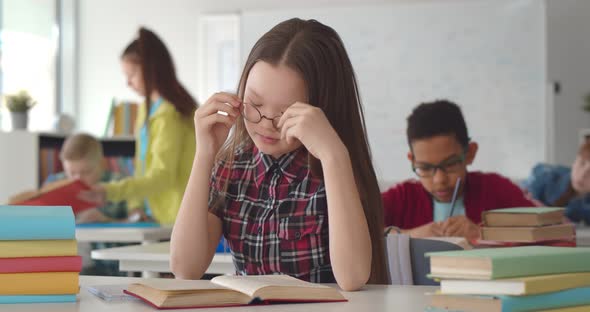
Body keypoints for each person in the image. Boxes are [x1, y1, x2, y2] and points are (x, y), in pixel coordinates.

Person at [170, 18, 387, 290]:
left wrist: (333, 156)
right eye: (256, 103)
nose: (266, 123)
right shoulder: (232, 168)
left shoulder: (333, 168)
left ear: (321, 108)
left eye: (286, 113)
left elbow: (353, 277)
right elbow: (184, 267)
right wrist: (205, 154)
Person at [80, 27, 197, 225]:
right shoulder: (145, 109)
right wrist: (136, 205)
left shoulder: (171, 114)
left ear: (151, 70)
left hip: (176, 217)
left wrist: (110, 191)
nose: (128, 83)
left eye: (132, 74)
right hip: (154, 217)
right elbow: (141, 168)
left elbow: (162, 176)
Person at [382, 100, 536, 240]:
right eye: (425, 167)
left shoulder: (496, 190)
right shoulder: (401, 198)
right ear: (412, 160)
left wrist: (482, 235)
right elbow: (361, 234)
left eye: (450, 164)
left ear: (470, 153)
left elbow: (545, 232)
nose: (439, 179)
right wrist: (409, 236)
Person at [45, 133, 128, 223]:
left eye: (86, 172)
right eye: (71, 173)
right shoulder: (53, 184)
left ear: (101, 163)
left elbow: (138, 222)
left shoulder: (120, 183)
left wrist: (106, 220)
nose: (78, 179)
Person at [523, 142, 590, 224]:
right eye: (582, 163)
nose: (582, 175)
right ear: (574, 161)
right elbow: (523, 201)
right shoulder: (548, 176)